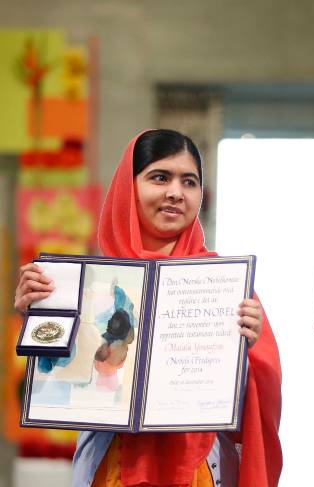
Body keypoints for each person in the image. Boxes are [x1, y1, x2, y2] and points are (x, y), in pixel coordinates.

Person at [15, 129, 282, 487]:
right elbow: (64, 379)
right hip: (109, 467)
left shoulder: (227, 287)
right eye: (160, 177)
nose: (175, 192)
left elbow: (259, 397)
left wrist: (249, 349)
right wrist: (39, 317)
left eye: (189, 181)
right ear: (130, 186)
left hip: (200, 471)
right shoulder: (90, 285)